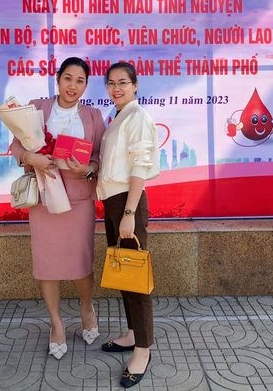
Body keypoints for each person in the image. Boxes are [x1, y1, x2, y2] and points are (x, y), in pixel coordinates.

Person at [9, 57, 105, 360]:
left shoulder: (93, 116)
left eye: (80, 81)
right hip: (44, 196)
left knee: (81, 261)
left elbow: (99, 158)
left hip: (78, 200)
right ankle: (56, 323)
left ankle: (87, 309)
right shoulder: (37, 108)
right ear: (58, 78)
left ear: (86, 86)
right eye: (68, 78)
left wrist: (87, 170)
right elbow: (16, 145)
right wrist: (31, 159)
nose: (73, 86)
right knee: (47, 263)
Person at [97, 62, 160, 388]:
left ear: (135, 85)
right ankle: (133, 333)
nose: (116, 88)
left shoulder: (138, 117)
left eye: (123, 82)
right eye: (111, 83)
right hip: (113, 202)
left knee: (136, 280)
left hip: (127, 203)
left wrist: (129, 213)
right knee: (125, 274)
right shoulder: (118, 117)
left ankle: (143, 350)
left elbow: (139, 167)